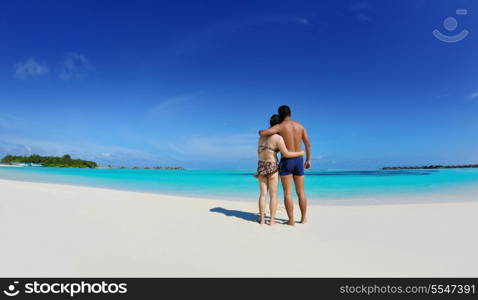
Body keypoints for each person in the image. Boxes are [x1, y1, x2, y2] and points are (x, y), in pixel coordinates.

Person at [259, 105, 311, 225]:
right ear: (290, 113)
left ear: (280, 115)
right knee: (301, 192)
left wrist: (261, 131)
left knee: (288, 193)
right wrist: (308, 159)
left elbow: (263, 133)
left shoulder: (280, 126)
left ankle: (291, 220)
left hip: (287, 160)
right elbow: (308, 144)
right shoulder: (300, 126)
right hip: (299, 159)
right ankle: (303, 219)